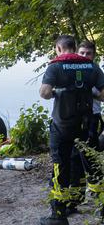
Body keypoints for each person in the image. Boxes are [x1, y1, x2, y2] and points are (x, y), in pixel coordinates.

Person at [39, 35, 104, 225]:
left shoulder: (55, 67)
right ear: (75, 48)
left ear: (58, 49)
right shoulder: (92, 67)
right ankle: (98, 205)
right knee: (89, 164)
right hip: (85, 125)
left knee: (61, 166)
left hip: (62, 126)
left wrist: (57, 92)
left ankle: (58, 215)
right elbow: (102, 95)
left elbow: (44, 92)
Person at [68, 40, 103, 213]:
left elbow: (103, 95)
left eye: (88, 54)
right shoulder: (70, 69)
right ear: (76, 52)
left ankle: (100, 200)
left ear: (93, 55)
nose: (84, 56)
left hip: (92, 119)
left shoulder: (96, 71)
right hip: (74, 120)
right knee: (74, 160)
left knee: (91, 159)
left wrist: (90, 90)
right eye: (81, 53)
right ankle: (75, 199)